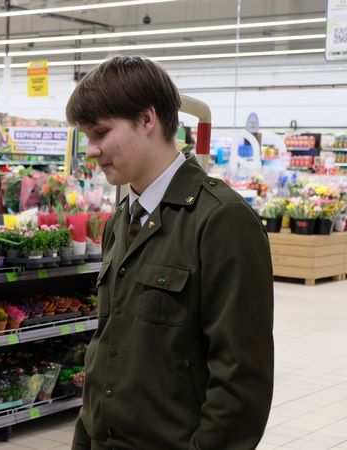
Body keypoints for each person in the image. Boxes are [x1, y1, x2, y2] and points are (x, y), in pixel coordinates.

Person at [65, 56, 274, 449]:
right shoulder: (120, 221)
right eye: (87, 137)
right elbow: (105, 346)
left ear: (147, 119)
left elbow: (241, 378)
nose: (91, 150)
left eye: (101, 133)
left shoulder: (221, 220)